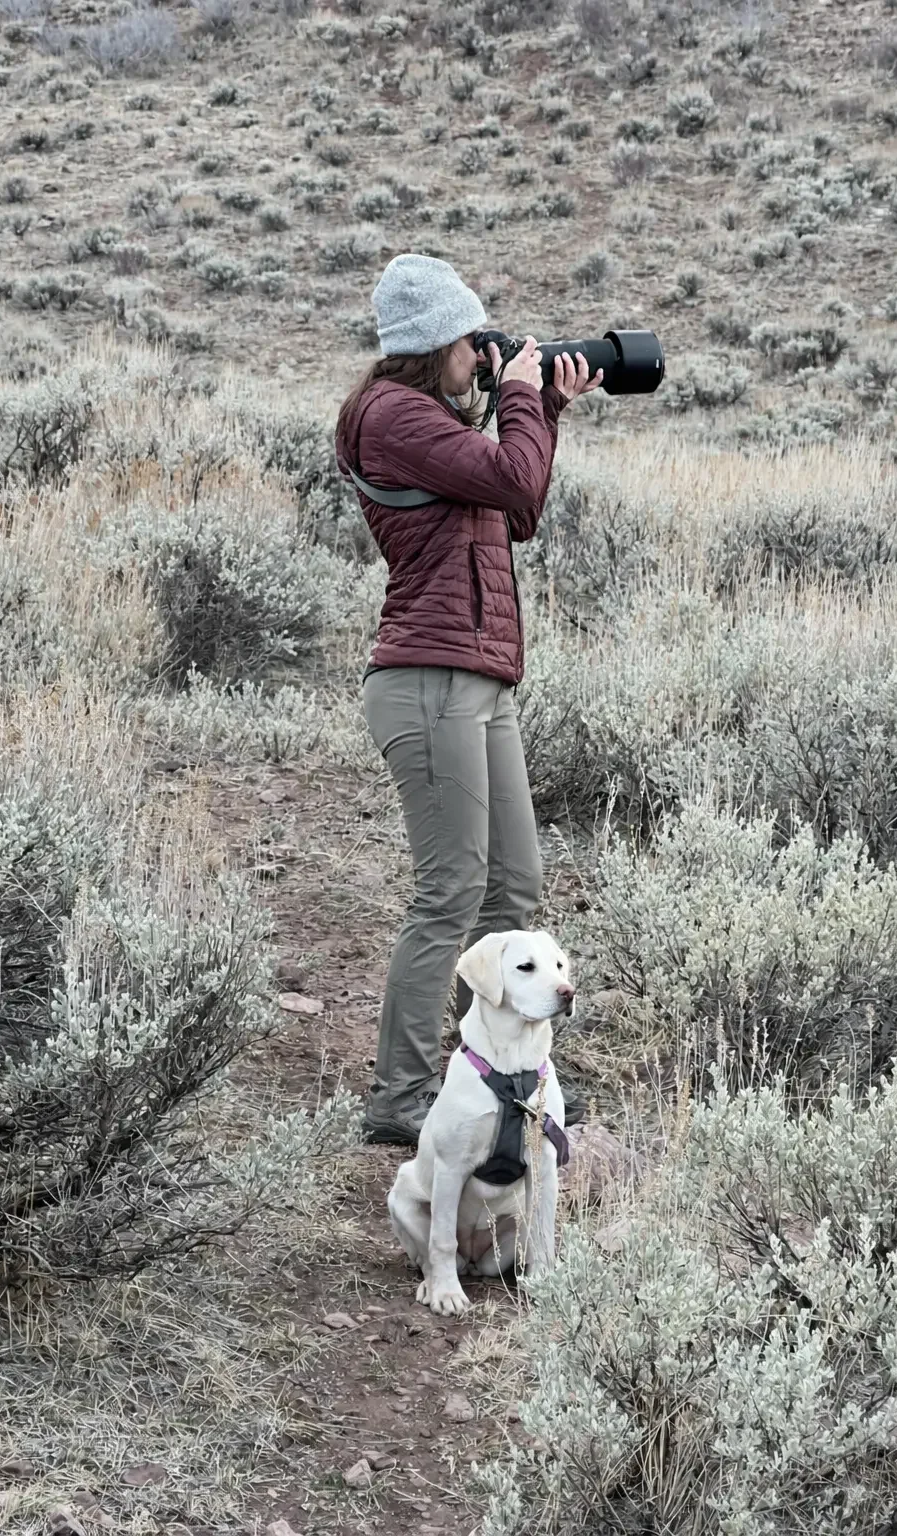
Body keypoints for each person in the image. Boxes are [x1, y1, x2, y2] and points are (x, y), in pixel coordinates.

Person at [334, 253, 603, 1147]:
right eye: (468, 339)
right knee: (449, 892)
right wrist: (520, 396)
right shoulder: (393, 416)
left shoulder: (433, 422)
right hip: (429, 679)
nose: (478, 354)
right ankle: (402, 1102)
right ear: (433, 342)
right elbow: (514, 482)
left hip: (479, 679)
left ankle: (486, 1077)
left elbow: (514, 510)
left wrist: (544, 405)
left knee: (513, 887)